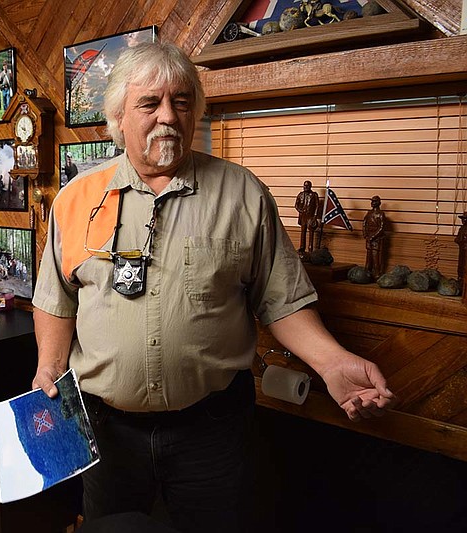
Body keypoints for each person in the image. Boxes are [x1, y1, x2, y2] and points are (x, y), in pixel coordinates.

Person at [31, 41, 395, 533]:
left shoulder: (244, 193)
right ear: (117, 116)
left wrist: (331, 362)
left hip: (213, 433)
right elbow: (57, 297)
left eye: (182, 102)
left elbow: (280, 300)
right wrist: (49, 367)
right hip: (106, 430)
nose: (168, 116)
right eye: (150, 103)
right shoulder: (76, 199)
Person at [362, 195, 387, 279]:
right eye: (372, 201)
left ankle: (377, 273)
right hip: (369, 238)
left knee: (376, 257)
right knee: (368, 257)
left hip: (376, 239)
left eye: (374, 201)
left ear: (379, 203)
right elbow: (364, 224)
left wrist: (373, 236)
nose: (372, 203)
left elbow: (381, 228)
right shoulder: (369, 213)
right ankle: (366, 273)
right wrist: (365, 234)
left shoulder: (381, 214)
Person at [294, 179, 319, 255]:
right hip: (303, 216)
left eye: (307, 185)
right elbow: (296, 205)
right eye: (304, 185)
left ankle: (310, 248)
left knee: (311, 232)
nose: (305, 187)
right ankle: (302, 247)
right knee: (303, 232)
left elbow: (317, 206)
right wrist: (300, 210)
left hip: (310, 216)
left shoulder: (314, 195)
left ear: (310, 186)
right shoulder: (300, 194)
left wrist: (315, 216)